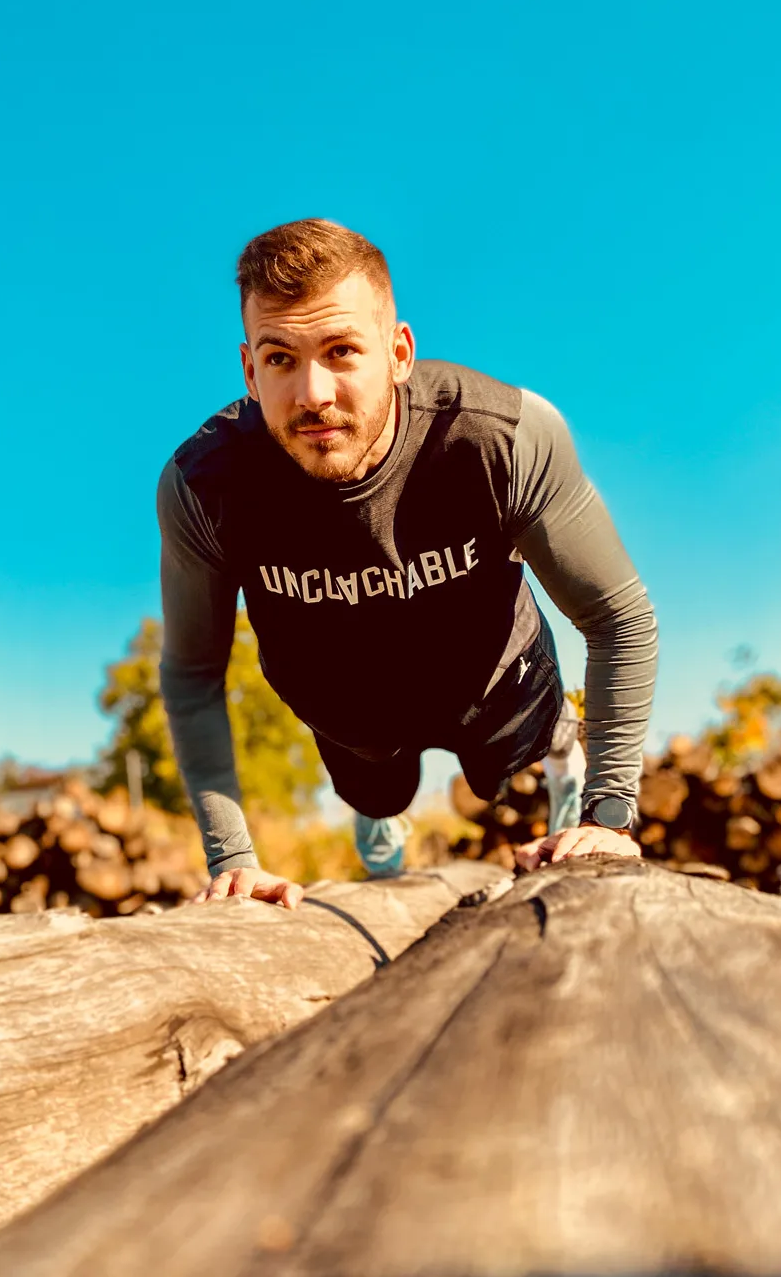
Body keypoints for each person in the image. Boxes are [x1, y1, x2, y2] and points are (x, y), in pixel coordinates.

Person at [157, 218, 658, 910]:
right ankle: (379, 805)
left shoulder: (500, 437)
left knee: (517, 749)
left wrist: (609, 819)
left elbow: (619, 617)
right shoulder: (203, 487)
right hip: (346, 707)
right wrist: (232, 857)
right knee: (374, 787)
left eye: (341, 351)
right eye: (280, 359)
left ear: (398, 353)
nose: (312, 394)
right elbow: (191, 675)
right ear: (249, 369)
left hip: (494, 680)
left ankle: (563, 753)